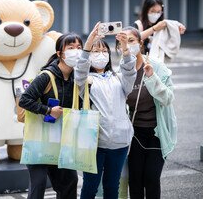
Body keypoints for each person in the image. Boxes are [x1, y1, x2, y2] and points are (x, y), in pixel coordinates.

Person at [75, 22, 137, 199]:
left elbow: (130, 73)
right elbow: (79, 70)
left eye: (104, 52)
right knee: (90, 187)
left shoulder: (118, 78)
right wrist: (89, 44)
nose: (100, 55)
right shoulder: (85, 80)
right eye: (96, 52)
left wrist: (125, 49)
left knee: (112, 186)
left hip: (120, 142)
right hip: (96, 143)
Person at [19, 33, 83, 199]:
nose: (75, 51)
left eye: (79, 48)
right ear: (60, 53)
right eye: (70, 48)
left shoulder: (78, 78)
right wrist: (48, 110)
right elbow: (24, 100)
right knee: (39, 183)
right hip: (38, 138)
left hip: (62, 139)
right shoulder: (46, 76)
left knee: (70, 181)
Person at [119, 26, 177, 199]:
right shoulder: (121, 72)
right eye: (124, 42)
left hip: (157, 132)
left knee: (151, 179)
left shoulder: (157, 67)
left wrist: (151, 77)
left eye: (132, 41)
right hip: (134, 133)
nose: (129, 46)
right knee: (135, 181)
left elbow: (168, 98)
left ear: (140, 43)